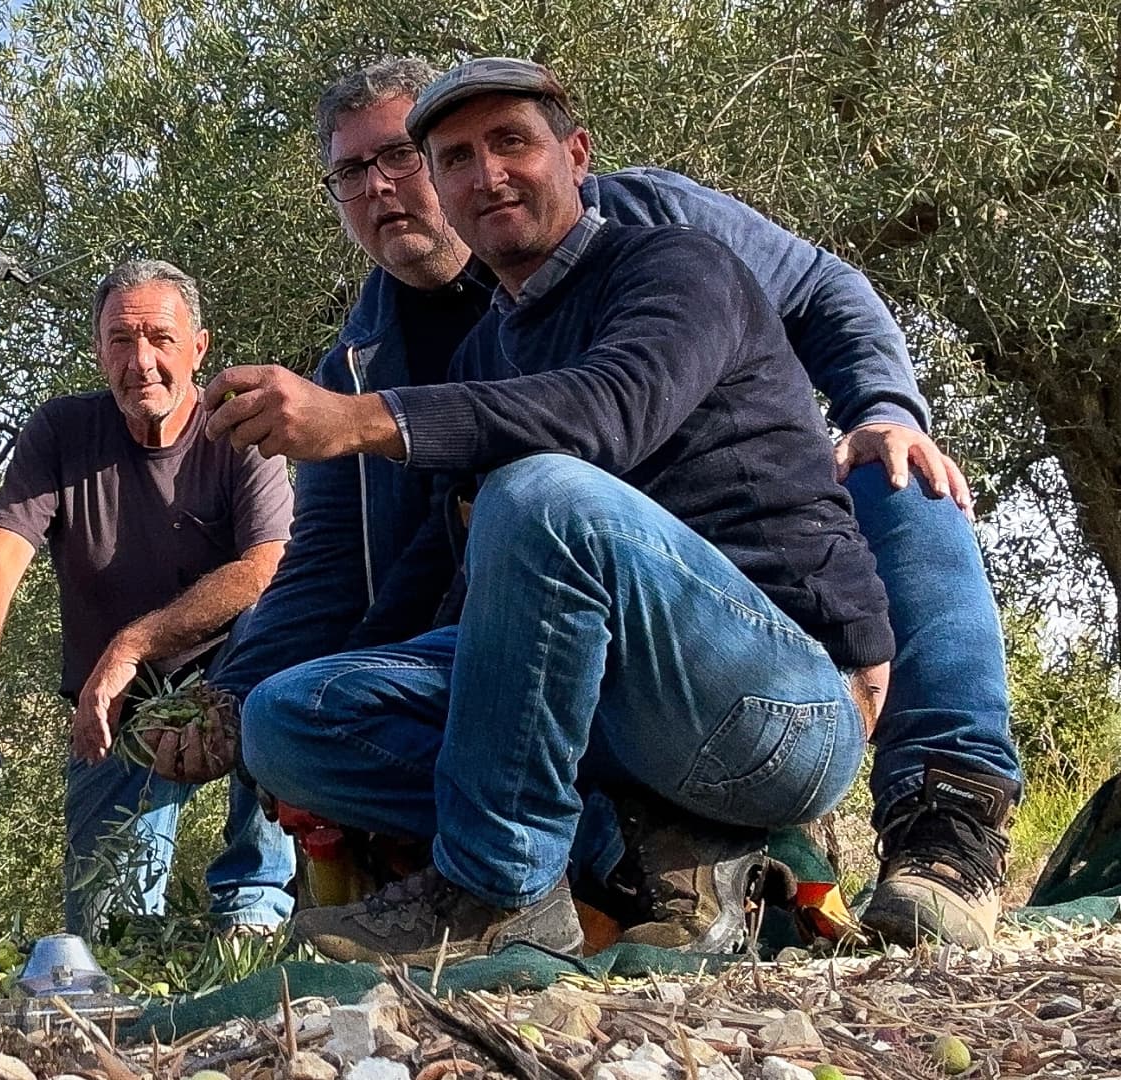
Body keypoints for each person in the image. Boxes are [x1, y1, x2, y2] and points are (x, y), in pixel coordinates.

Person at [198, 58, 1020, 950]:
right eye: (448, 158)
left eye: (403, 155)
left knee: (894, 473)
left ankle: (946, 818)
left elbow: (611, 410)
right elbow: (375, 564)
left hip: (758, 664)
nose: (393, 184)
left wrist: (883, 409)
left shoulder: (672, 249)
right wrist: (241, 698)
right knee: (291, 718)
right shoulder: (406, 355)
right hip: (582, 668)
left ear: (577, 155)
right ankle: (647, 852)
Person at [0, 259, 297, 935]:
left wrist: (132, 644)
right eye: (121, 340)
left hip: (233, 679)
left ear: (198, 348)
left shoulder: (239, 432)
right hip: (116, 705)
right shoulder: (62, 431)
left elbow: (266, 564)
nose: (141, 362)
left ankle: (253, 909)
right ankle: (132, 952)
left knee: (282, 629)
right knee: (108, 932)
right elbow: (1, 551)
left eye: (161, 339)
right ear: (98, 349)